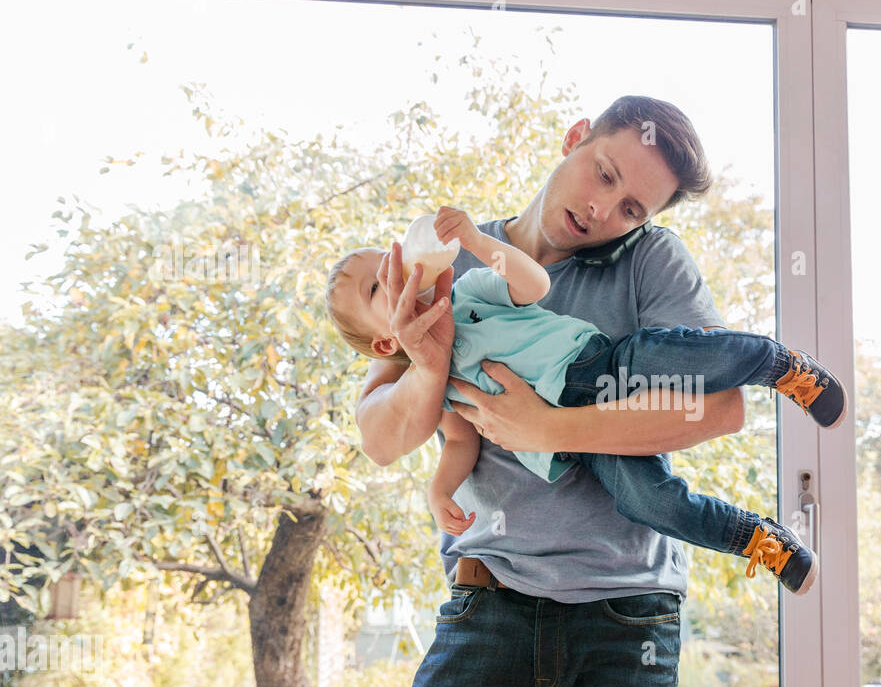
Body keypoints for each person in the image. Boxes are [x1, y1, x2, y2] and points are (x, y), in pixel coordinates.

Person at [353, 95, 806, 687]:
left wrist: (552, 424)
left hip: (628, 621)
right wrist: (430, 367)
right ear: (574, 138)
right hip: (489, 601)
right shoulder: (448, 259)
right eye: (603, 174)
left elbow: (719, 407)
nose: (603, 211)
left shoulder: (651, 261)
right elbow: (378, 436)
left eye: (631, 207)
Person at [326, 204, 846, 594]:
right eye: (378, 288)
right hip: (586, 448)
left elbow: (533, 282)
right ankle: (759, 540)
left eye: (392, 259)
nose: (398, 273)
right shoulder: (429, 384)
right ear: (385, 344)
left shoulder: (468, 293)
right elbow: (458, 442)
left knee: (690, 358)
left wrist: (473, 243)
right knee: (652, 502)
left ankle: (781, 367)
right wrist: (440, 491)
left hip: (601, 364)